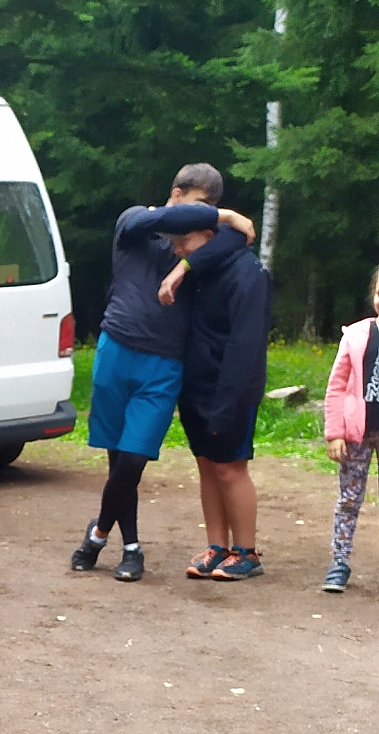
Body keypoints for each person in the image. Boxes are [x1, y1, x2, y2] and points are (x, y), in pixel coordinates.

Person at [72, 165, 254, 583]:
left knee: (134, 459)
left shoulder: (196, 247)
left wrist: (185, 265)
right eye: (199, 206)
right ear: (176, 194)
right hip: (116, 349)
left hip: (164, 364)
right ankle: (131, 548)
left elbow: (241, 239)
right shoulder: (135, 222)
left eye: (211, 210)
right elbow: (184, 221)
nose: (203, 218)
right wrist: (225, 215)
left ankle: (98, 533)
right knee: (117, 459)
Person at [158, 204, 273, 580]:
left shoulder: (248, 274)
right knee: (207, 465)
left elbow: (245, 346)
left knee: (230, 469)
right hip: (196, 386)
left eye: (184, 242)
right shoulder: (200, 270)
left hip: (232, 390)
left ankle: (247, 552)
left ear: (209, 237)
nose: (177, 251)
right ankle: (217, 546)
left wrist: (227, 404)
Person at [320, 266, 379, 593]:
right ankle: (339, 563)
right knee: (349, 500)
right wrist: (335, 433)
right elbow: (337, 386)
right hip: (357, 433)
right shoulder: (356, 335)